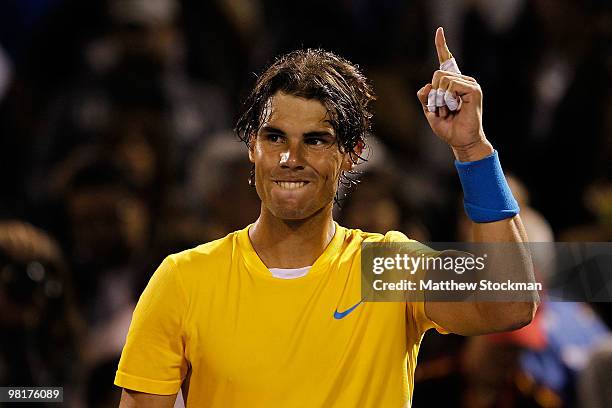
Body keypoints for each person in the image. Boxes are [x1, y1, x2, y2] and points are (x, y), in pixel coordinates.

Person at [114, 28, 538, 407]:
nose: (290, 159)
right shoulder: (183, 280)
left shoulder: (389, 268)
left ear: (351, 155)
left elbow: (511, 304)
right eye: (274, 137)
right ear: (251, 148)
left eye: (315, 141)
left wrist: (472, 149)